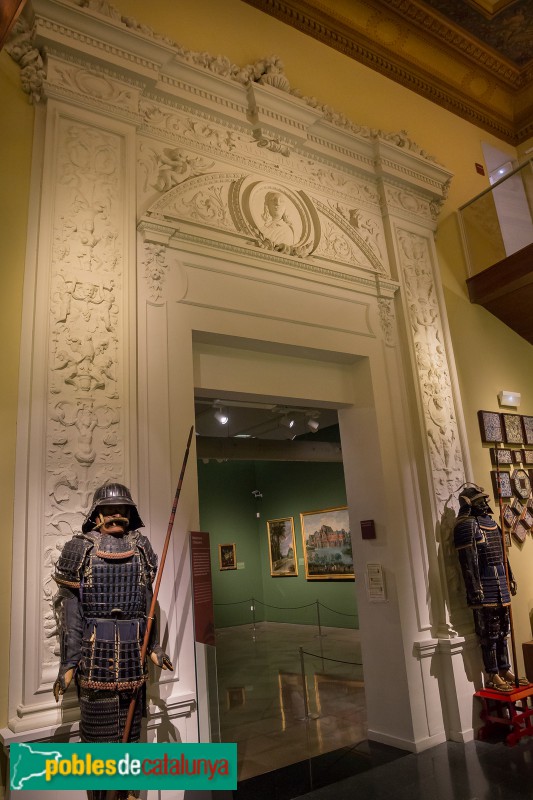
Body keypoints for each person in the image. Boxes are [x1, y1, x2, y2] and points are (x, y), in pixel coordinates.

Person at [52, 482, 173, 800]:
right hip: (95, 662)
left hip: (133, 661)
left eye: (122, 509)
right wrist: (68, 662)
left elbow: (149, 604)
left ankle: (128, 795)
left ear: (130, 513)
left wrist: (155, 648)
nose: (116, 514)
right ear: (96, 514)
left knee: (130, 741)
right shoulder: (80, 549)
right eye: (108, 509)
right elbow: (70, 609)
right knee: (97, 745)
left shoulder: (142, 547)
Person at [453, 483, 524, 692]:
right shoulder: (467, 525)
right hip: (484, 584)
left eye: (484, 500)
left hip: (500, 581)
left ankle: (504, 668)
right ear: (468, 504)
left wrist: (509, 576)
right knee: (489, 632)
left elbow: (503, 553)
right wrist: (474, 587)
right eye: (479, 501)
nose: (484, 504)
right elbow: (468, 561)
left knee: (503, 629)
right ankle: (492, 673)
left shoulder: (491, 523)